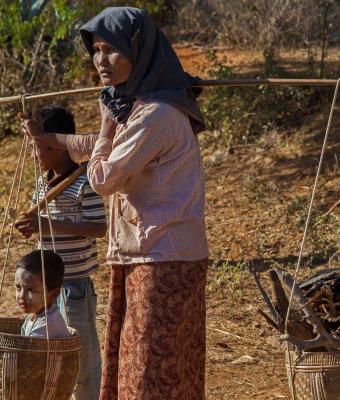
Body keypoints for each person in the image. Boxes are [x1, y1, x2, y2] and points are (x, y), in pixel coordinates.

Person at [20, 7, 209, 400]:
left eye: (112, 50)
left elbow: (103, 177)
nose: (101, 60)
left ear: (139, 54)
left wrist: (106, 123)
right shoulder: (138, 107)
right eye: (97, 49)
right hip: (147, 254)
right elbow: (94, 147)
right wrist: (47, 138)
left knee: (152, 369)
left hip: (162, 256)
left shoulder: (156, 114)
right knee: (143, 362)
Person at [15, 106, 107, 400]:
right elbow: (42, 225)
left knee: (81, 362)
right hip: (46, 289)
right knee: (51, 359)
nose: (33, 156)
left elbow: (97, 227)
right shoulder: (43, 182)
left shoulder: (84, 182)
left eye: (38, 148)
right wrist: (32, 227)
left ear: (57, 145)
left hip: (74, 286)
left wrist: (48, 223)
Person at [15, 249, 71, 338]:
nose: (21, 296)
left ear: (52, 294)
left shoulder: (45, 326)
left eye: (30, 290)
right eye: (18, 287)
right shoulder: (34, 316)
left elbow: (28, 351)